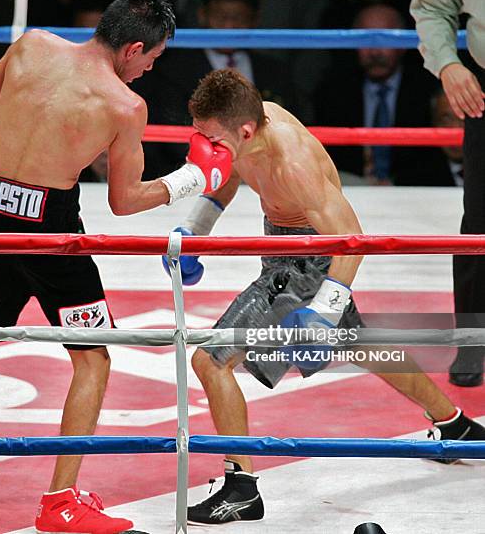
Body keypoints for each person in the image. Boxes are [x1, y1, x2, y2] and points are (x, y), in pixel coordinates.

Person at [0, 0, 232, 534]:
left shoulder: (29, 46)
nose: (147, 70)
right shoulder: (123, 105)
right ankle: (60, 501)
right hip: (49, 232)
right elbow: (124, 201)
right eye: (152, 58)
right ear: (132, 47)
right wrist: (195, 179)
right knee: (94, 357)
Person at [163, 69, 485, 525]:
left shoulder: (293, 163)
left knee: (210, 361)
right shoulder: (245, 131)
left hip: (311, 260)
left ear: (246, 130)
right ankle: (453, 422)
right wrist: (196, 229)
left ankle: (240, 488)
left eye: (211, 137)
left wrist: (323, 310)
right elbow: (228, 170)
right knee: (362, 344)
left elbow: (351, 238)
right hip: (283, 244)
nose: (203, 144)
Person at [133, 0, 296, 179]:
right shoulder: (175, 70)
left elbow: (293, 125)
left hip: (269, 173)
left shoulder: (274, 71)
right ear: (203, 15)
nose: (228, 27)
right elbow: (173, 137)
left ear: (255, 19)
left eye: (238, 19)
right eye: (221, 18)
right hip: (198, 173)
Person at [411, 0, 485, 387]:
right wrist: (447, 64)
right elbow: (432, 5)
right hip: (484, 91)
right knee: (479, 222)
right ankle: (474, 341)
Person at [315, 4, 439, 185]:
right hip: (350, 187)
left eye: (384, 40)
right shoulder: (334, 90)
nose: (374, 52)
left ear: (403, 45)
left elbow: (432, 158)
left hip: (413, 187)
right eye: (366, 40)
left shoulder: (426, 89)